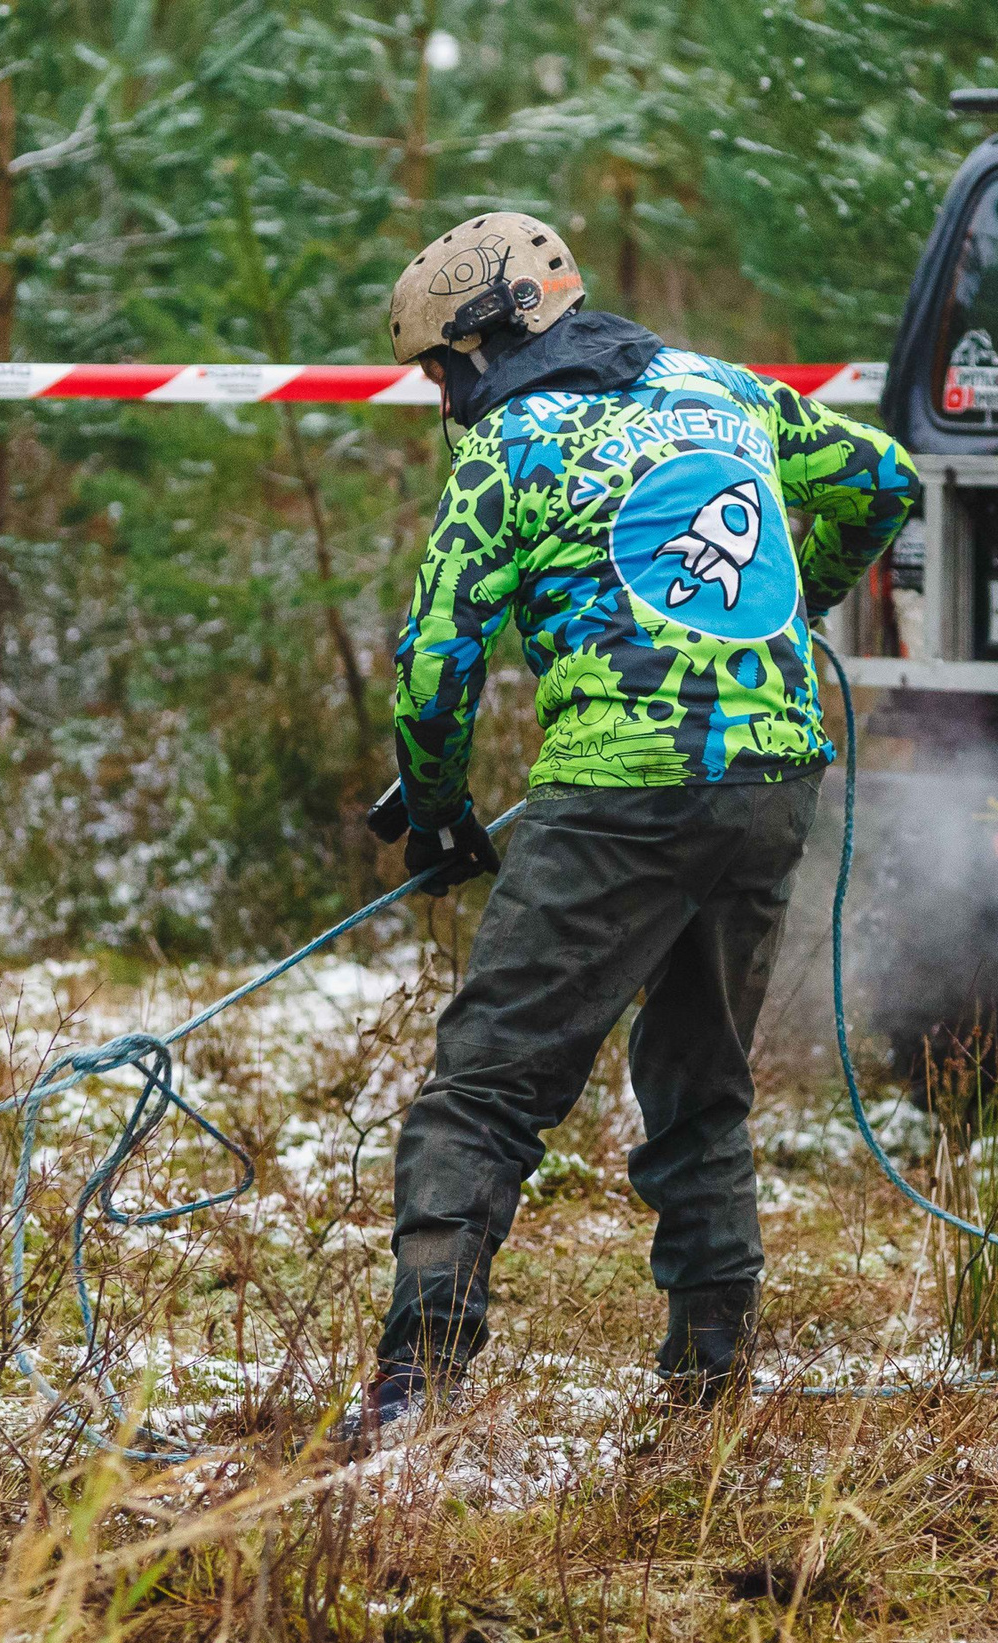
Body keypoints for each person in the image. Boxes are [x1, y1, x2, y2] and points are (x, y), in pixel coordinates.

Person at [345, 211, 919, 1445]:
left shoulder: (509, 444)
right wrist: (786, 598)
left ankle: (412, 1391)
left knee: (483, 1089)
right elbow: (884, 480)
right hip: (772, 776)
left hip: (617, 795)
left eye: (441, 370)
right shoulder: (727, 389)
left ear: (488, 340)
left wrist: (435, 811)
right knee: (700, 1090)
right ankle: (711, 1389)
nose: (442, 399)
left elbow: (436, 659)